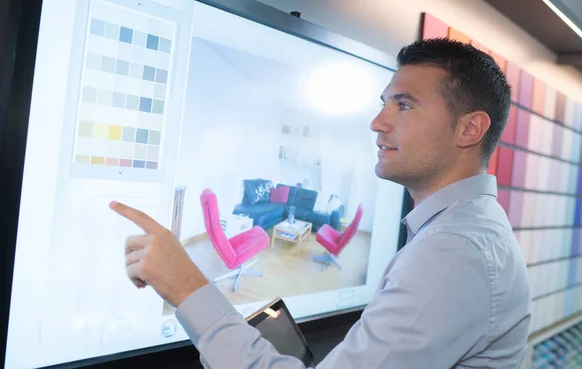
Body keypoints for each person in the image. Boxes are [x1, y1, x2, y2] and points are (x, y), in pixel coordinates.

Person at [110, 38, 531, 368]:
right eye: (383, 103)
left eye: (403, 105)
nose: (377, 122)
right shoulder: (466, 231)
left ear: (469, 128)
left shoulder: (453, 251)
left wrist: (186, 287)